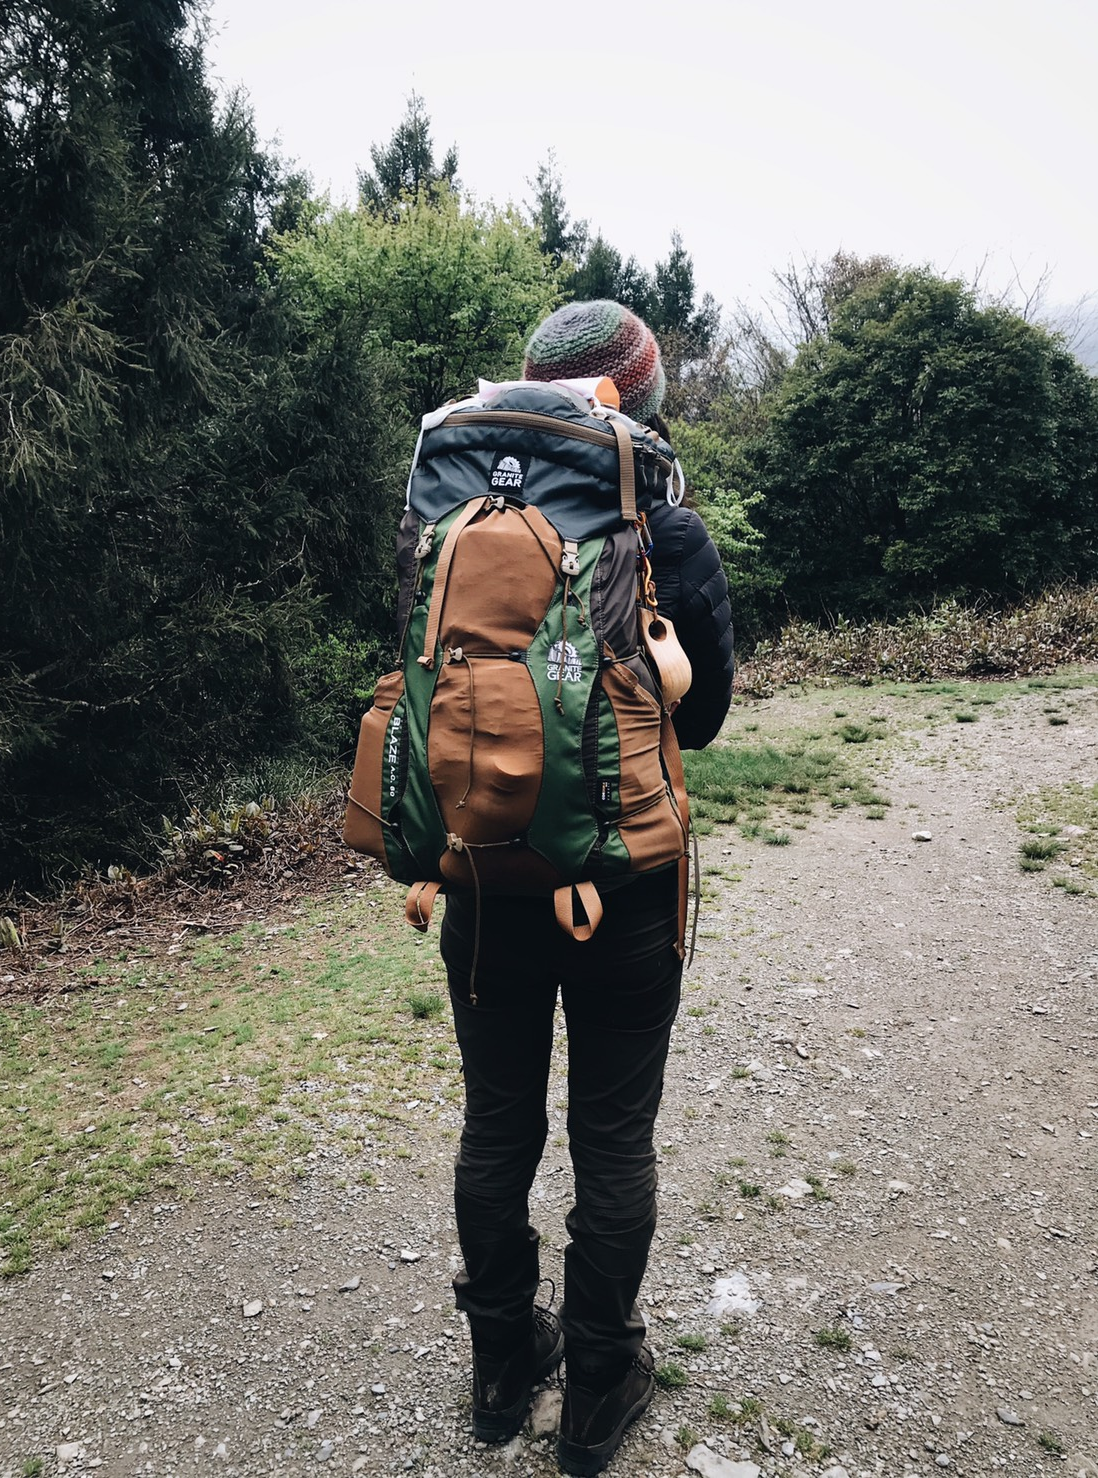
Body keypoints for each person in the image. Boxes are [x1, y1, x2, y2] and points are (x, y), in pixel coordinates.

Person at [438, 301, 734, 1475]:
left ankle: (505, 1365)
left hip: (487, 874)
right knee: (612, 1138)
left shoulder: (453, 515)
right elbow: (700, 718)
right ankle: (602, 1384)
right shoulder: (669, 528)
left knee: (497, 1124)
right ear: (641, 400)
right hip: (628, 885)